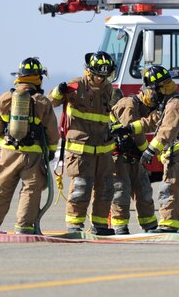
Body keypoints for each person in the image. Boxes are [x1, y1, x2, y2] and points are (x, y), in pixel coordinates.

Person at [115, 68, 179, 235]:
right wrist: (128, 128)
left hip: (177, 154)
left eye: (151, 89)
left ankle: (168, 225)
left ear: (159, 87)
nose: (150, 93)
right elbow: (152, 121)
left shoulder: (174, 105)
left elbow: (166, 131)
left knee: (170, 189)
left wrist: (150, 150)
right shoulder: (171, 101)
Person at [0, 58, 59, 234]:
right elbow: (52, 132)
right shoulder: (42, 102)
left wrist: (0, 146)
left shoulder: (5, 99)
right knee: (30, 191)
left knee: (0, 189)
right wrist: (51, 151)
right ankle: (24, 228)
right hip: (33, 156)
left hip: (8, 154)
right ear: (38, 78)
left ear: (19, 77)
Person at [50, 51, 116, 235]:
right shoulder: (75, 85)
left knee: (105, 189)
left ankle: (100, 226)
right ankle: (75, 226)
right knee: (81, 187)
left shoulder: (109, 89)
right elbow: (51, 101)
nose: (102, 79)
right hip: (80, 151)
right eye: (98, 75)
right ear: (89, 71)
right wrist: (59, 91)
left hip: (103, 150)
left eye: (105, 75)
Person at [107, 67, 171, 235]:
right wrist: (147, 152)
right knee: (121, 191)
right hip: (118, 157)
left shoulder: (150, 108)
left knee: (144, 191)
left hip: (135, 157)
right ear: (146, 91)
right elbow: (134, 133)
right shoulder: (129, 104)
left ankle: (149, 225)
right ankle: (120, 226)